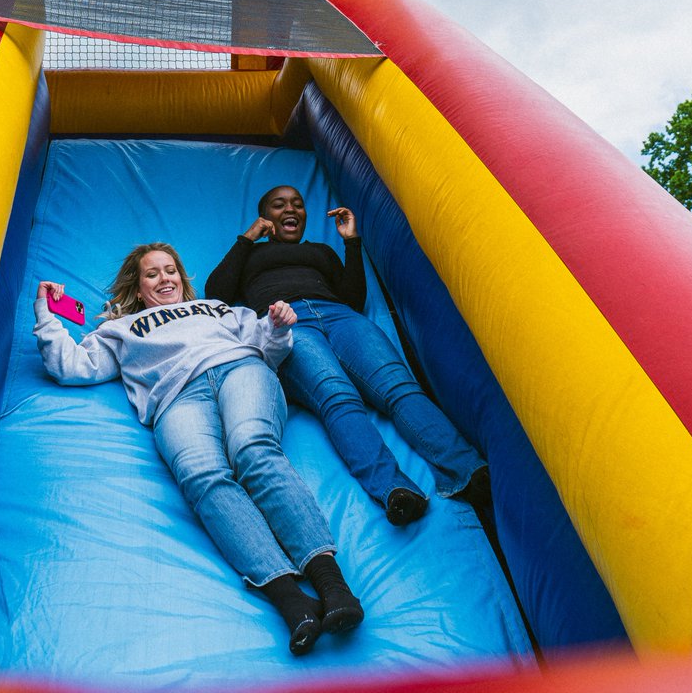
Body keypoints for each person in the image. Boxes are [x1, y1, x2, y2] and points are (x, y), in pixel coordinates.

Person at [33, 241, 363, 656]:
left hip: (239, 367)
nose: (164, 279)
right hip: (175, 397)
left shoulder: (217, 308)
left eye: (170, 270)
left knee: (253, 450)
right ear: (138, 288)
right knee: (202, 477)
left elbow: (271, 348)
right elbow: (71, 367)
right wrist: (46, 311)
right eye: (152, 274)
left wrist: (279, 326)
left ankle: (334, 588)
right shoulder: (117, 331)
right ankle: (293, 603)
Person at [206, 186, 489, 527]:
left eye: (297, 203)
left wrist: (351, 242)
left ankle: (468, 472)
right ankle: (394, 489)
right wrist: (247, 238)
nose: (291, 209)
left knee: (400, 387)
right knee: (338, 396)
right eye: (279, 205)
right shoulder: (249, 256)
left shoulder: (322, 252)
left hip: (341, 316)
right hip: (289, 322)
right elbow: (217, 293)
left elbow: (352, 298)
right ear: (266, 217)